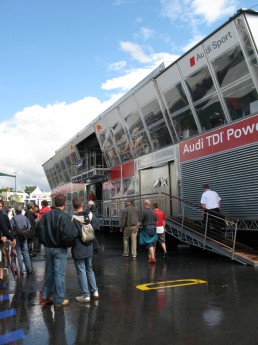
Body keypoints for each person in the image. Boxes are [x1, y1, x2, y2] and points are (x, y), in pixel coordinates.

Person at [36, 194, 77, 307]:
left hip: (48, 248)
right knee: (59, 274)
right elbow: (68, 235)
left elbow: (39, 230)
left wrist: (44, 242)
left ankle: (46, 295)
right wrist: (68, 244)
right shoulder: (65, 217)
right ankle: (58, 299)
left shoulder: (46, 215)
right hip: (59, 248)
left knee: (50, 272)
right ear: (65, 203)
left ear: (54, 203)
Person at [71, 197, 99, 303]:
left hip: (79, 248)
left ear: (74, 206)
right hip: (89, 246)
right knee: (89, 269)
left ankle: (85, 295)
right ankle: (95, 291)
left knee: (81, 271)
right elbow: (97, 226)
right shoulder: (90, 215)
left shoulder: (73, 219)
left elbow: (72, 235)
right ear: (82, 204)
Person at [10, 206, 32, 274]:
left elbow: (10, 227)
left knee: (18, 253)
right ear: (21, 211)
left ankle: (21, 270)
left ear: (16, 212)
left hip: (16, 237)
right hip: (24, 237)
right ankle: (29, 269)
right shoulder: (25, 217)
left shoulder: (13, 218)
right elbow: (29, 227)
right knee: (25, 253)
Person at [0, 201, 16, 284]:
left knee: (2, 259)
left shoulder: (3, 216)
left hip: (2, 241)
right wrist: (12, 238)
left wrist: (7, 236)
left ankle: (1, 276)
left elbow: (7, 229)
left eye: (0, 206)